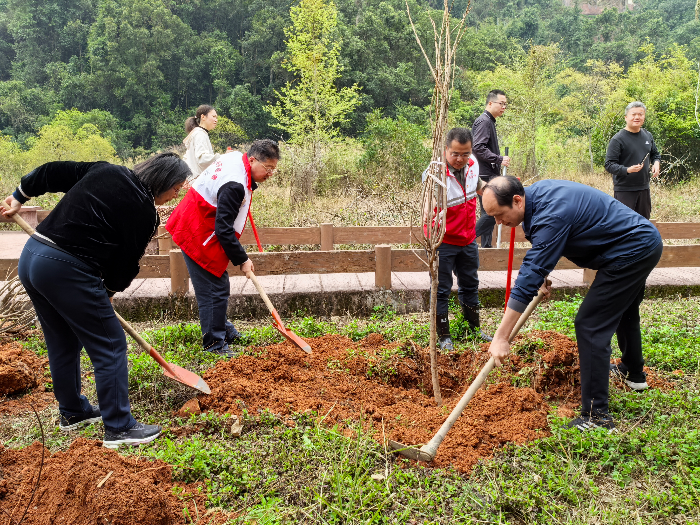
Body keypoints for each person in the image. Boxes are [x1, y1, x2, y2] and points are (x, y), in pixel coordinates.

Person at [0, 154, 189, 448]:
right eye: (177, 188)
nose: (176, 194)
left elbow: (51, 172)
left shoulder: (106, 171)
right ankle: (120, 428)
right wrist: (109, 294)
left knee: (63, 342)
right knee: (111, 345)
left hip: (33, 257)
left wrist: (18, 196)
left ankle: (73, 412)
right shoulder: (145, 213)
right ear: (163, 181)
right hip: (67, 269)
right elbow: (124, 266)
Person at [481, 176, 662, 432]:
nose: (498, 223)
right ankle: (633, 374)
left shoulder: (552, 212)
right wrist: (541, 276)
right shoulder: (538, 197)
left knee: (590, 325)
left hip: (631, 250)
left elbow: (529, 271)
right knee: (624, 310)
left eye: (499, 215)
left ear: (517, 200)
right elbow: (543, 249)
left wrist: (501, 336)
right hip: (641, 243)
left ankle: (596, 417)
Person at [166, 139, 280, 358]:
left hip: (195, 221)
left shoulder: (236, 157)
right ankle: (214, 344)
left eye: (274, 169)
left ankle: (224, 330)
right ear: (253, 159)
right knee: (214, 289)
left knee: (216, 286)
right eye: (268, 168)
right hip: (197, 231)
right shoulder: (235, 185)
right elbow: (223, 230)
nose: (270, 174)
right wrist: (243, 260)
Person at [422, 128, 492, 351]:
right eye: (455, 154)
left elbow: (478, 186)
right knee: (442, 288)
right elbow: (429, 196)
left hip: (468, 238)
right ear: (445, 150)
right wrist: (427, 208)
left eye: (465, 153)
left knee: (470, 284)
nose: (461, 159)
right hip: (443, 239)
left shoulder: (473, 165)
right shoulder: (435, 173)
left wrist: (496, 191)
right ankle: (444, 337)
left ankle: (474, 328)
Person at [604, 101, 661, 219]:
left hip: (644, 188)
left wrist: (656, 163)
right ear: (626, 117)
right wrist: (627, 170)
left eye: (641, 114)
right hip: (624, 190)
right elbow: (609, 165)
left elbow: (655, 154)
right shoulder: (618, 139)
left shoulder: (647, 135)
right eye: (633, 114)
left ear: (644, 117)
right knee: (624, 224)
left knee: (644, 223)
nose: (637, 117)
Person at [472, 89, 511, 248]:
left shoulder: (488, 121)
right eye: (501, 103)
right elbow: (478, 147)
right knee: (493, 211)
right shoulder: (485, 121)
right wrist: (499, 159)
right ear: (490, 103)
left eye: (505, 105)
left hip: (486, 173)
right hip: (485, 175)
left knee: (487, 211)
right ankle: (468, 238)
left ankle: (486, 248)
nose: (503, 107)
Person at [183, 104, 220, 183]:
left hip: (194, 181)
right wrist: (221, 157)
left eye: (216, 117)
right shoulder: (200, 134)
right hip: (199, 183)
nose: (216, 120)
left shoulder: (197, 133)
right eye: (213, 116)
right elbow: (202, 159)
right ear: (203, 117)